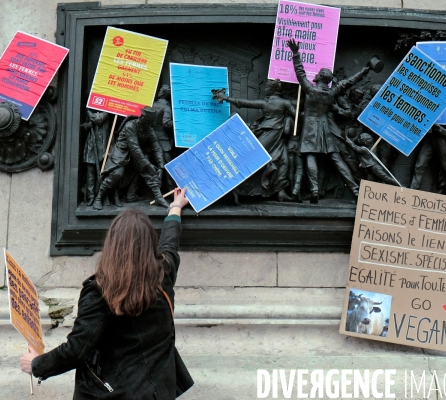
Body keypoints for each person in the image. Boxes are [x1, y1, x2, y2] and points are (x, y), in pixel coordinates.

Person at [20, 188, 194, 399]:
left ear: (111, 243)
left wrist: (37, 364)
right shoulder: (163, 273)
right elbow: (169, 244)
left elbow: (77, 349)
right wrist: (175, 209)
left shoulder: (100, 292)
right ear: (150, 243)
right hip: (157, 392)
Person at [287, 38, 380, 203]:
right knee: (336, 158)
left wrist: (295, 53)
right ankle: (355, 190)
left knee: (310, 156)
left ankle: (314, 190)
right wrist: (365, 70)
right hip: (324, 127)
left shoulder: (310, 90)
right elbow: (350, 81)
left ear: (319, 77)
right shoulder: (331, 93)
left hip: (310, 127)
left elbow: (300, 72)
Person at [212, 79, 296, 202]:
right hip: (272, 134)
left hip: (273, 135)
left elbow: (244, 103)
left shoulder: (274, 103)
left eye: (267, 86)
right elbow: (298, 115)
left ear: (273, 89)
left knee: (282, 161)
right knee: (259, 160)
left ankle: (280, 192)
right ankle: (234, 188)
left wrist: (226, 98)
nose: (265, 89)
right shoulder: (283, 103)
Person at [92, 107, 169, 209]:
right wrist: (147, 163)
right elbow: (134, 147)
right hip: (121, 152)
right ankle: (98, 197)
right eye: (141, 115)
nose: (141, 117)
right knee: (117, 174)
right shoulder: (130, 126)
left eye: (144, 117)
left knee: (150, 171)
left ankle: (158, 197)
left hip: (135, 155)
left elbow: (156, 148)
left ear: (149, 121)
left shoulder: (149, 130)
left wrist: (161, 167)